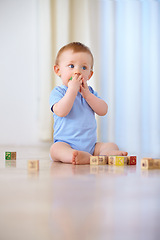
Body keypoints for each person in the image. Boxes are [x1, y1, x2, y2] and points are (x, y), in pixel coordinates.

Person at [49, 42, 127, 164]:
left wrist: (88, 96)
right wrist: (72, 91)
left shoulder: (89, 93)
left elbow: (103, 110)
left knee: (111, 145)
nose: (77, 71)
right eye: (71, 66)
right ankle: (75, 156)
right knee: (55, 150)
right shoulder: (58, 92)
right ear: (58, 70)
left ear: (89, 75)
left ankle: (105, 154)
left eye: (84, 67)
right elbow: (61, 111)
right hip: (66, 144)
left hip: (91, 146)